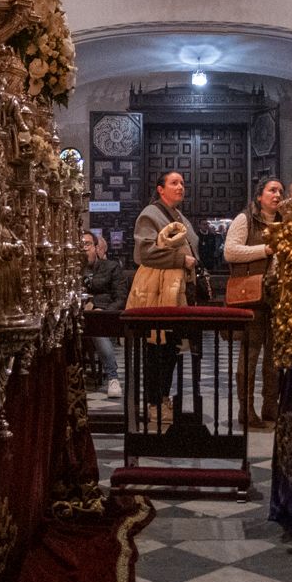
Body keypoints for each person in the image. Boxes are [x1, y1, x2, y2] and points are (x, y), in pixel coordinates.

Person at [132, 170, 198, 418]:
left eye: (182, 182)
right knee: (156, 347)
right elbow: (145, 252)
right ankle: (153, 403)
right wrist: (181, 259)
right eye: (174, 183)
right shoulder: (150, 214)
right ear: (160, 189)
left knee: (170, 347)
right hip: (158, 290)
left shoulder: (179, 215)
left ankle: (163, 397)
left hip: (177, 290)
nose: (180, 186)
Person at [225, 176, 283, 427]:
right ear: (260, 196)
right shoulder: (245, 219)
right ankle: (246, 409)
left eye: (280, 191)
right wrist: (265, 250)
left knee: (274, 355)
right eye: (272, 190)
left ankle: (270, 405)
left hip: (279, 295)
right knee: (250, 353)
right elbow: (231, 251)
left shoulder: (285, 222)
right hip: (252, 295)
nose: (278, 194)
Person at [82, 231, 129, 398]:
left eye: (87, 244)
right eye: (80, 245)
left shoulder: (111, 267)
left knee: (97, 328)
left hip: (103, 315)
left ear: (96, 247)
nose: (83, 248)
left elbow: (121, 296)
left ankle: (112, 377)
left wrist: (104, 312)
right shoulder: (73, 269)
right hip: (78, 314)